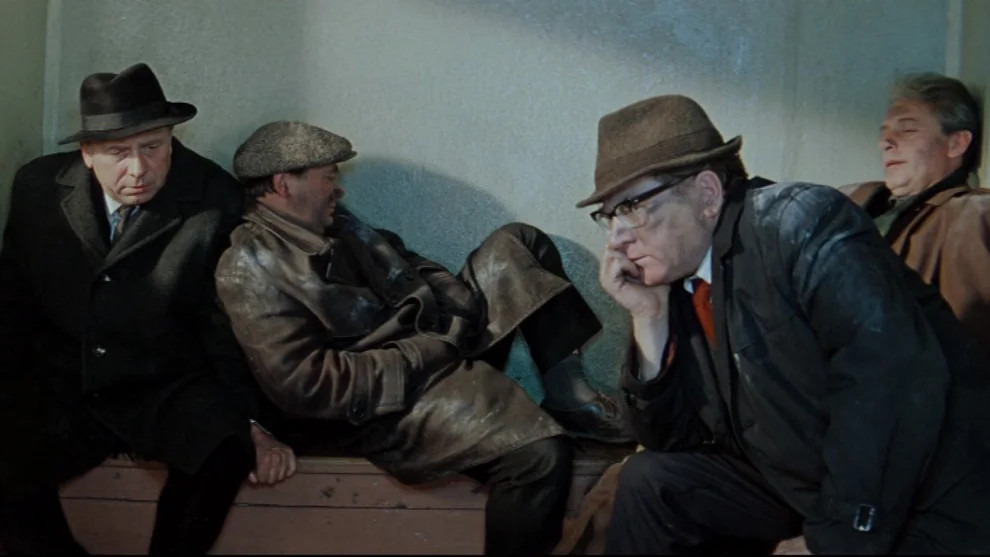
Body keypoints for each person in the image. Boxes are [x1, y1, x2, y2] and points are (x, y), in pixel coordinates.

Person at [577, 94, 990, 554]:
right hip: (804, 481)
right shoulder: (679, 277)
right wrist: (649, 317)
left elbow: (889, 378)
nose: (617, 238)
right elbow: (672, 440)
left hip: (918, 498)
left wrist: (832, 540)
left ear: (707, 194)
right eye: (609, 216)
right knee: (650, 480)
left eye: (632, 207)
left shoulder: (798, 221)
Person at [214, 121, 630, 554]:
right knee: (539, 454)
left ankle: (570, 398)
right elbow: (307, 385)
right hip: (379, 407)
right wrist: (425, 353)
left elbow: (411, 264)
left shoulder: (334, 223)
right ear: (283, 184)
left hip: (434, 345)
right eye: (328, 177)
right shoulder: (249, 266)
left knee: (520, 243)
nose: (338, 189)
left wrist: (455, 308)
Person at [0, 63, 295, 555]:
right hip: (65, 382)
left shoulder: (214, 195)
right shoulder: (38, 187)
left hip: (164, 383)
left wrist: (253, 423)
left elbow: (227, 325)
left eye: (152, 147)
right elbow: (12, 304)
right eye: (118, 153)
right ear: (87, 153)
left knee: (225, 450)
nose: (138, 169)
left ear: (171, 140)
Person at [842, 72, 990, 348]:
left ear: (956, 143)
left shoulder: (973, 215)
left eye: (908, 130)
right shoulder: (853, 198)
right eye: (884, 133)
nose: (885, 143)